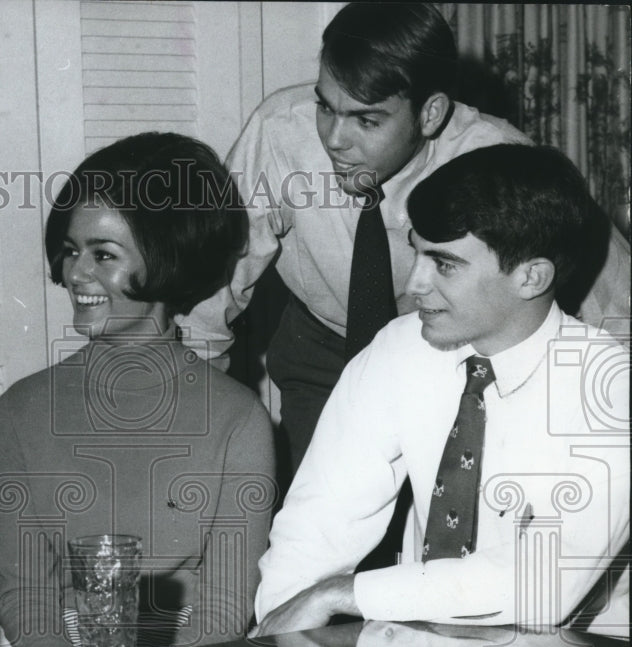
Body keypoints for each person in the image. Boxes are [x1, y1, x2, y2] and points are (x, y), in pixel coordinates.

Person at [178, 2, 631, 476]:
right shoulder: (279, 133)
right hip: (324, 349)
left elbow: (617, 306)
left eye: (366, 121)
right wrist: (195, 413)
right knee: (325, 514)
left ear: (430, 113)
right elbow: (211, 287)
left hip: (459, 356)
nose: (334, 139)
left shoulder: (497, 158)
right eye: (326, 107)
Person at [251, 144, 630, 637]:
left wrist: (342, 594)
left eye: (444, 264)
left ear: (531, 276)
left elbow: (539, 586)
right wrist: (284, 632)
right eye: (416, 251)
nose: (413, 284)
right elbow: (318, 520)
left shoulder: (608, 390)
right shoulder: (399, 349)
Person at [0, 133, 276, 647]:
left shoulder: (239, 420)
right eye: (72, 251)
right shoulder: (19, 412)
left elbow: (226, 607)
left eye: (104, 255)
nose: (77, 273)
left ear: (168, 259)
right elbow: (26, 595)